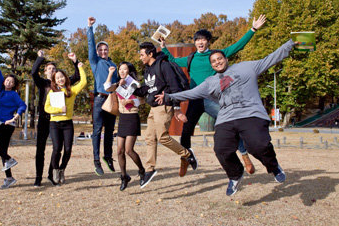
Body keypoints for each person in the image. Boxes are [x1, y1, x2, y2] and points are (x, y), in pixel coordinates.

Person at [156, 39, 297, 196]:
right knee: (221, 149)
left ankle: (273, 166)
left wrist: (290, 44)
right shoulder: (210, 82)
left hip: (250, 114)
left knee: (257, 146)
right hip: (226, 118)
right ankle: (235, 175)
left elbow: (271, 58)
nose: (217, 62)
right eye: (214, 61)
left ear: (226, 59)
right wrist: (169, 96)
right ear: (212, 66)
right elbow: (190, 93)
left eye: (220, 59)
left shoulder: (246, 67)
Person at [160, 15, 266, 175]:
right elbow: (172, 60)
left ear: (208, 42)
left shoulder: (217, 56)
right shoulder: (190, 59)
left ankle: (245, 157)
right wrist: (163, 47)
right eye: (197, 40)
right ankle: (185, 160)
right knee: (186, 131)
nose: (200, 43)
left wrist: (253, 29)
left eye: (203, 40)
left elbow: (238, 46)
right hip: (195, 100)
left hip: (213, 99)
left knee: (231, 127)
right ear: (195, 42)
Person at [133, 42, 198, 188]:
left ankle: (187, 154)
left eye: (142, 54)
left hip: (164, 106)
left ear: (150, 54)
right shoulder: (148, 69)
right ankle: (150, 169)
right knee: (149, 137)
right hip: (153, 107)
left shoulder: (164, 65)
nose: (140, 57)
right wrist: (130, 89)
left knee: (162, 137)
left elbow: (175, 87)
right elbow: (146, 90)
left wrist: (175, 106)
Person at [31, 50, 80, 187]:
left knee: (56, 149)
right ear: (46, 72)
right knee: (40, 149)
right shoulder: (43, 83)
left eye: (54, 69)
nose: (52, 71)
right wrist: (40, 58)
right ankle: (38, 177)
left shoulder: (62, 84)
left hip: (58, 120)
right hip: (44, 119)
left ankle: (51, 174)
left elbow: (76, 76)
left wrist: (75, 62)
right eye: (49, 69)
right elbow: (33, 73)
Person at [44, 57, 87, 185]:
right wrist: (58, 109)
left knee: (68, 150)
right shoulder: (52, 92)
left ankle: (62, 168)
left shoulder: (71, 91)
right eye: (57, 78)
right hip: (55, 124)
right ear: (54, 81)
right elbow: (47, 108)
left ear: (65, 78)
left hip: (67, 123)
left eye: (62, 77)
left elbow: (83, 82)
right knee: (57, 149)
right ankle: (55, 170)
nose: (60, 79)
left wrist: (80, 67)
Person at [0, 51, 27, 189]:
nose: (8, 82)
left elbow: (23, 105)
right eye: (7, 80)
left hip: (8, 124)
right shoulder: (2, 91)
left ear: (14, 84)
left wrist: (16, 116)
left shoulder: (13, 94)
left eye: (12, 81)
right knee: (2, 149)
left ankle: (10, 159)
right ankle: (9, 178)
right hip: (4, 123)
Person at [104, 63, 146, 191]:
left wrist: (131, 101)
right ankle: (124, 176)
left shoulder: (135, 84)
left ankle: (142, 170)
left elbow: (143, 100)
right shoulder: (118, 85)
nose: (122, 71)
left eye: (124, 69)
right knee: (119, 150)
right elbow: (106, 88)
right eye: (120, 69)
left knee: (129, 150)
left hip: (132, 116)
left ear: (129, 71)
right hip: (122, 117)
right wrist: (111, 73)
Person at [87, 16, 118, 175]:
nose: (103, 52)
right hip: (99, 99)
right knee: (97, 130)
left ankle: (108, 157)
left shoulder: (114, 65)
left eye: (105, 50)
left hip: (111, 100)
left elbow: (118, 83)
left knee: (110, 131)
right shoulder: (95, 62)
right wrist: (90, 28)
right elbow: (91, 46)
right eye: (101, 50)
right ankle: (96, 161)